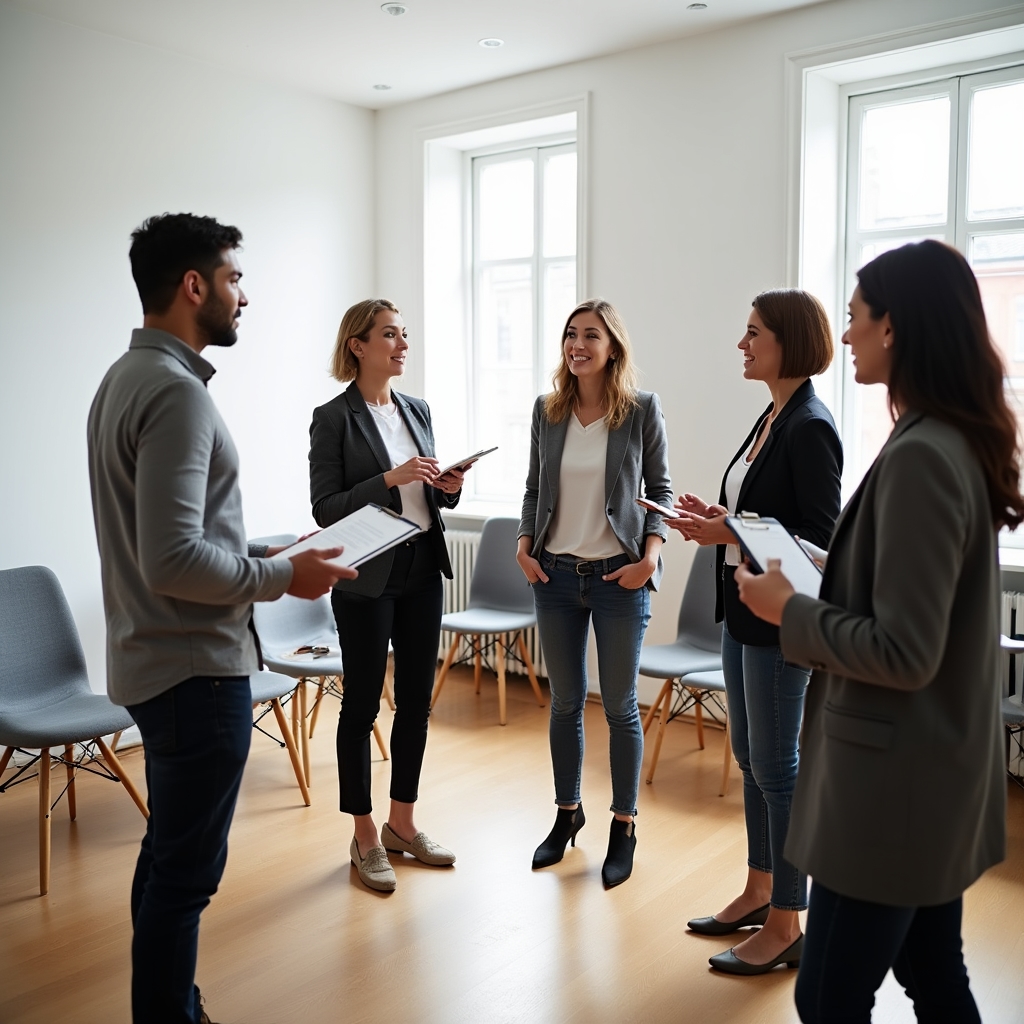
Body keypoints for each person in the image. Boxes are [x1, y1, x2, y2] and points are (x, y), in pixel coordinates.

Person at [736, 241, 1018, 1021]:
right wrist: (816, 571)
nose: (849, 334)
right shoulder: (940, 438)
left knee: (827, 998)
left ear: (894, 328)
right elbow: (895, 584)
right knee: (933, 974)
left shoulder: (926, 453)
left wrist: (786, 610)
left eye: (858, 317)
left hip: (894, 790)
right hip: (923, 779)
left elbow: (904, 650)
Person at [88, 213, 352, 1024]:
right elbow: (172, 560)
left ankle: (170, 1005)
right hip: (196, 673)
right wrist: (282, 575)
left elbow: (177, 539)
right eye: (235, 278)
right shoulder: (175, 396)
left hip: (151, 664)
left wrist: (276, 548)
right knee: (186, 876)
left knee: (168, 858)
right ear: (194, 286)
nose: (246, 295)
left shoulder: (121, 381)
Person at [667, 289, 841, 974]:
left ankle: (787, 921)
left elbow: (819, 544)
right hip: (742, 612)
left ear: (788, 342)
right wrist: (718, 515)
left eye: (753, 334)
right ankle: (759, 888)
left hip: (778, 621)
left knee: (777, 769)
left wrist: (728, 529)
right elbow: (761, 513)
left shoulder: (810, 425)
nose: (742, 345)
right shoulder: (772, 416)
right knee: (752, 758)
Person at [309, 299, 465, 893]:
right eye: (390, 335)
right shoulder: (333, 418)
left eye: (405, 335)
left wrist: (444, 486)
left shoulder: (417, 408)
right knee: (362, 706)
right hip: (367, 577)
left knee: (418, 704)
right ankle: (365, 834)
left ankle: (404, 823)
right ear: (358, 345)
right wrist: (389, 479)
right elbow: (326, 509)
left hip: (423, 568)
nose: (403, 345)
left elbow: (428, 497)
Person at [517, 298, 672, 888]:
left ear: (613, 348)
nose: (577, 345)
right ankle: (566, 814)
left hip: (618, 578)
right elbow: (535, 486)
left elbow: (660, 488)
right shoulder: (547, 411)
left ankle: (623, 825)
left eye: (590, 336)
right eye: (570, 335)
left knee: (620, 706)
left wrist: (650, 558)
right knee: (564, 703)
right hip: (554, 576)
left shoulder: (639, 410)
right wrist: (525, 544)